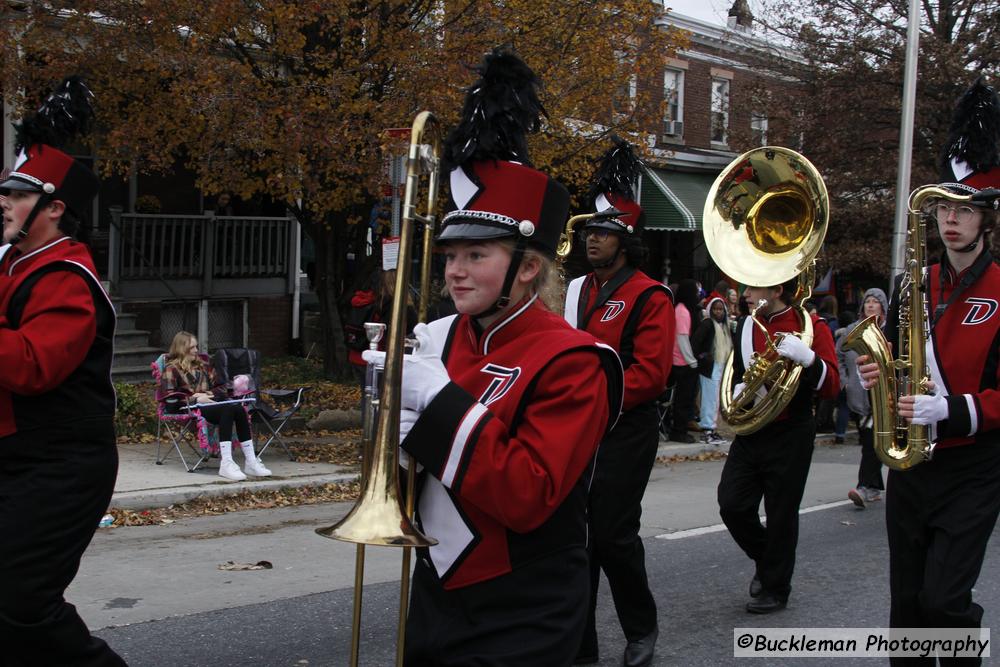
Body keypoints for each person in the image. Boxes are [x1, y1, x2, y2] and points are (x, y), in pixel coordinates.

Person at [364, 48, 624, 667]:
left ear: (528, 268)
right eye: (452, 254)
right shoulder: (439, 338)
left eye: (477, 255)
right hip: (438, 585)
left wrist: (435, 403)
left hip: (525, 605)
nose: (454, 270)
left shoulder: (575, 359)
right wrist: (390, 442)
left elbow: (529, 495)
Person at [859, 78, 1000, 663]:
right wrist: (878, 372)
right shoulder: (913, 281)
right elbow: (894, 354)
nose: (951, 220)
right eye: (945, 207)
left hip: (974, 465)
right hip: (913, 464)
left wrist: (956, 408)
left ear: (988, 218)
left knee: (945, 602)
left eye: (965, 210)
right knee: (907, 606)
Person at [0, 77, 127, 666]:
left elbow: (30, 368)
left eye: (18, 194)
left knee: (21, 602)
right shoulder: (17, 267)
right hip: (17, 458)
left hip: (59, 466)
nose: (3, 201)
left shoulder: (66, 278)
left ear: (54, 208)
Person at [564, 138, 673, 667]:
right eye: (590, 230)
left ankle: (641, 627)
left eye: (603, 233)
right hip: (577, 427)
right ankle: (578, 643)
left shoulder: (650, 295)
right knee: (574, 537)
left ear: (626, 242)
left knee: (612, 534)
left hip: (627, 427)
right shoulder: (574, 289)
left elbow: (650, 375)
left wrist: (587, 395)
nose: (592, 239)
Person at [717, 277, 839, 614]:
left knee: (781, 513)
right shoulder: (746, 325)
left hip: (791, 431)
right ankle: (768, 559)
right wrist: (740, 390)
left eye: (754, 288)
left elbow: (832, 387)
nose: (746, 295)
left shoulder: (812, 326)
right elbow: (740, 370)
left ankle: (775, 587)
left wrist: (809, 359)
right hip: (753, 430)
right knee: (732, 504)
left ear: (776, 291)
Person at [160, 331, 271, 481]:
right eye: (191, 347)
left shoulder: (203, 366)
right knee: (228, 409)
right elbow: (170, 401)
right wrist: (195, 398)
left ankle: (251, 461)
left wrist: (209, 395)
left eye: (196, 346)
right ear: (181, 349)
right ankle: (226, 463)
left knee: (238, 407)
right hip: (189, 407)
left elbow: (221, 387)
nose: (196, 350)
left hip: (211, 403)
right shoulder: (171, 369)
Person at [839, 291, 887, 508]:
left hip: (884, 394)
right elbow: (838, 355)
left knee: (871, 441)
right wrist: (845, 380)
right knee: (869, 441)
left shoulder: (890, 330)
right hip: (859, 394)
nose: (870, 305)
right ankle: (874, 486)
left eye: (875, 302)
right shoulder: (851, 330)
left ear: (883, 307)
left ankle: (865, 487)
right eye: (867, 301)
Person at [692, 296, 731, 445]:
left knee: (714, 398)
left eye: (721, 309)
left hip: (719, 365)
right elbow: (695, 343)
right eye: (715, 309)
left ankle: (711, 429)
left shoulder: (724, 326)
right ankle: (707, 430)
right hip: (710, 366)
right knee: (709, 398)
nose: (718, 312)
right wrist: (703, 357)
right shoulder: (707, 324)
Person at [668, 278, 702, 442]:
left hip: (684, 361)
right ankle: (678, 431)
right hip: (682, 363)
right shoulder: (682, 311)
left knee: (686, 398)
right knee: (683, 398)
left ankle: (681, 428)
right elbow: (682, 338)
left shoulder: (685, 309)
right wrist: (692, 361)